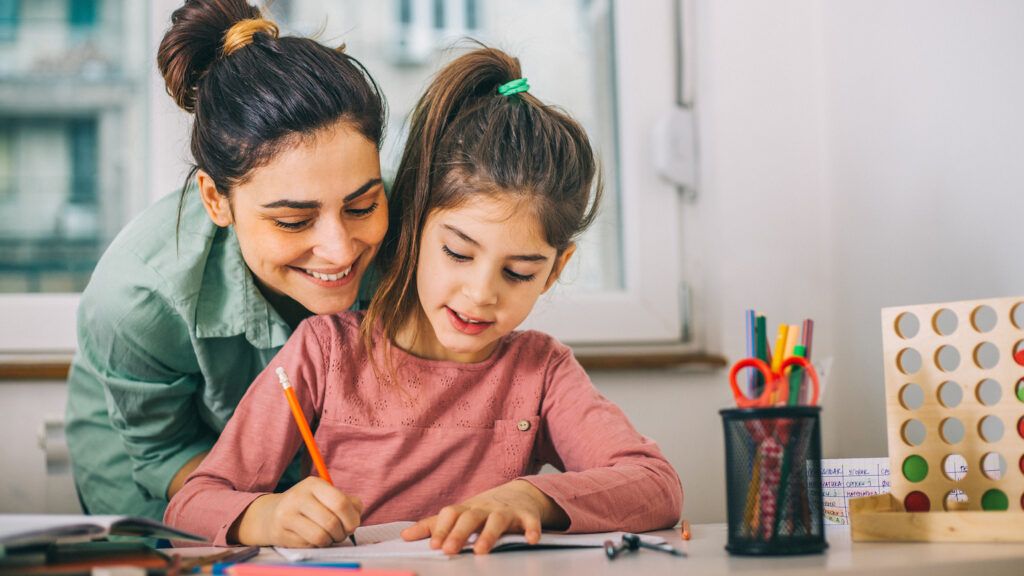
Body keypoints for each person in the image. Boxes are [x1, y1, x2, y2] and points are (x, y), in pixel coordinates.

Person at [165, 47, 683, 554]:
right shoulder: (326, 352)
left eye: (519, 272)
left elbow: (657, 485)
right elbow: (192, 503)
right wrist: (267, 515)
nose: (481, 294)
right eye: (458, 253)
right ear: (413, 228)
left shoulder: (541, 372)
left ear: (555, 271)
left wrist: (530, 497)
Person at [65, 0, 388, 521]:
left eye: (362, 205)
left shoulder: (422, 237)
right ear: (216, 200)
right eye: (292, 221)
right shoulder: (136, 297)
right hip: (160, 465)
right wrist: (261, 513)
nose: (340, 248)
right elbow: (162, 451)